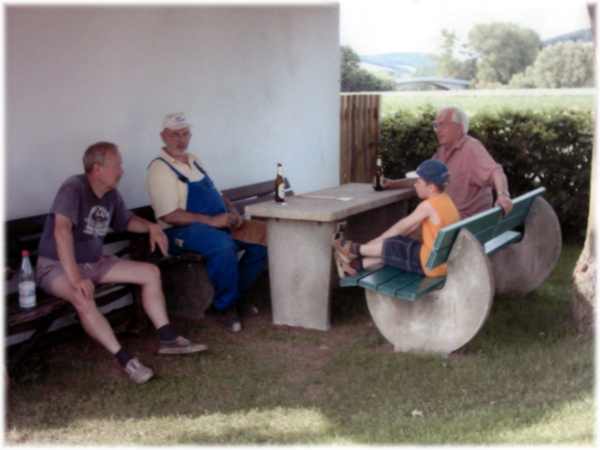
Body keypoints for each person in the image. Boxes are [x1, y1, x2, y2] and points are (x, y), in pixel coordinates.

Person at [36, 142, 207, 385]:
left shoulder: (111, 195)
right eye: (117, 165)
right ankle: (125, 360)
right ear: (97, 169)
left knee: (150, 272)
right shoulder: (73, 188)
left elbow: (126, 221)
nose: (122, 171)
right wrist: (76, 278)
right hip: (57, 266)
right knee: (81, 296)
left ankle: (168, 339)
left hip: (94, 263)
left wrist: (151, 226)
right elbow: (61, 231)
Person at [145, 113, 268, 333]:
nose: (181, 140)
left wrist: (232, 211)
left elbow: (217, 193)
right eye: (175, 135)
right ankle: (224, 307)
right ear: (163, 136)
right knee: (222, 246)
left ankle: (235, 296)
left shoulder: (194, 160)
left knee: (261, 238)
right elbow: (169, 215)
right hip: (178, 232)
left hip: (214, 225)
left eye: (185, 134)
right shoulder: (159, 168)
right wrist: (212, 221)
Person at [380, 106, 513, 219]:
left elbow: (496, 172)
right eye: (436, 125)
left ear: (459, 128)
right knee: (401, 228)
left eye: (443, 125)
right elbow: (424, 179)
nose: (438, 130)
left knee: (398, 231)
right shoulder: (442, 151)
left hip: (459, 225)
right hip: (447, 221)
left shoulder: (471, 147)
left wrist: (503, 195)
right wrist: (392, 184)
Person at [334, 159, 459, 278]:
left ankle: (352, 249)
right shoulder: (446, 200)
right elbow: (409, 228)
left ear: (431, 187)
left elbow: (401, 227)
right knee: (397, 248)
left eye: (419, 182)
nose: (415, 185)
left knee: (393, 245)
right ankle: (354, 266)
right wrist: (374, 245)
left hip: (430, 265)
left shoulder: (428, 206)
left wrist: (366, 247)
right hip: (440, 262)